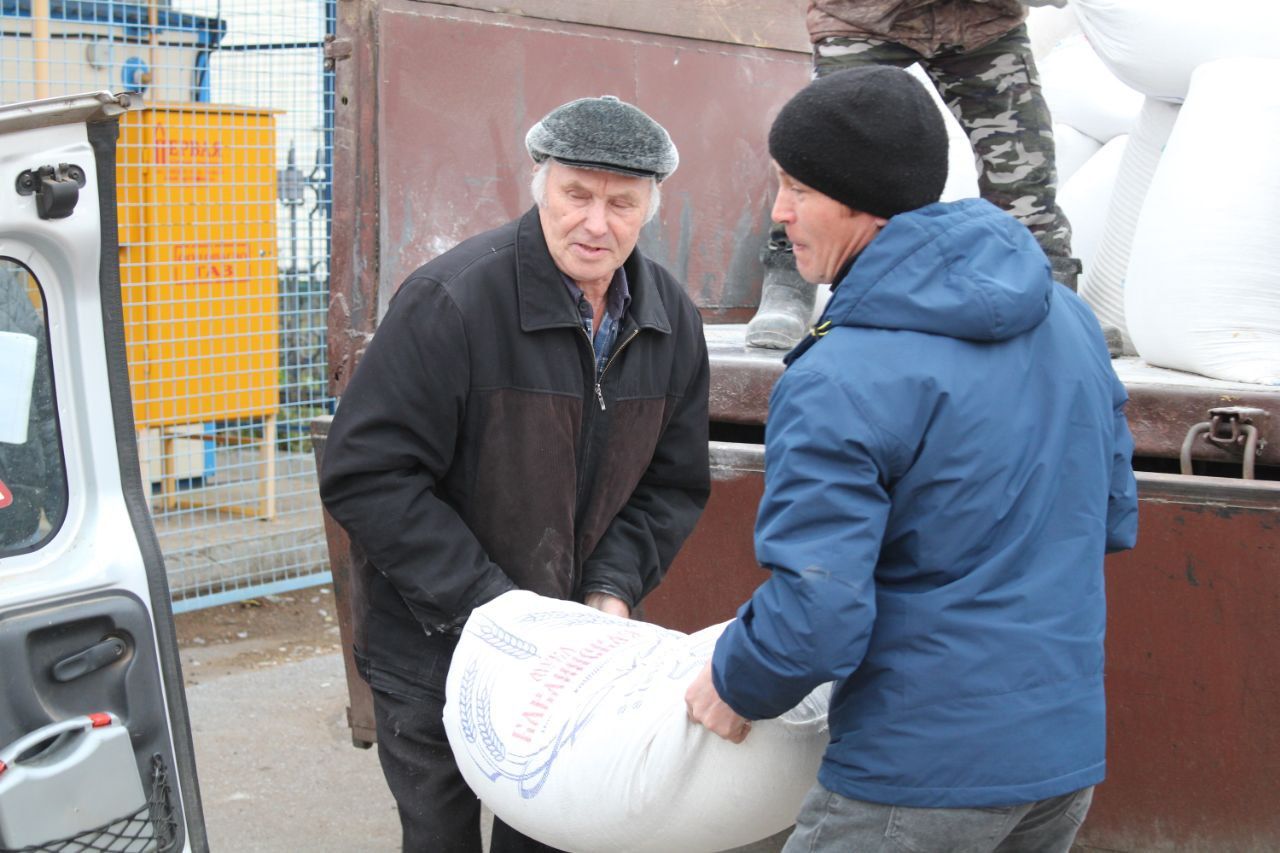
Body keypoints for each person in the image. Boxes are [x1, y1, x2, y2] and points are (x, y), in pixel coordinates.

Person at [686, 66, 1138, 852]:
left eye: (797, 188)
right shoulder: (1068, 321)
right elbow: (1110, 514)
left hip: (916, 775)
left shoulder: (838, 376)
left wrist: (733, 681)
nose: (779, 212)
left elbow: (815, 619)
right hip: (1061, 760)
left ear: (861, 199)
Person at [319, 96, 711, 852]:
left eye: (622, 203)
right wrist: (496, 609)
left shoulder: (671, 320)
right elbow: (369, 473)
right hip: (432, 647)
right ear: (540, 183)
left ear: (650, 208)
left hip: (570, 665)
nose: (597, 224)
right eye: (578, 195)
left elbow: (671, 482)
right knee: (440, 837)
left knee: (549, 835)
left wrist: (612, 585)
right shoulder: (452, 300)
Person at [746, 0, 1077, 350]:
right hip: (863, 16)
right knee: (821, 150)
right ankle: (788, 285)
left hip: (982, 22)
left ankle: (1053, 300)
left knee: (1025, 171)